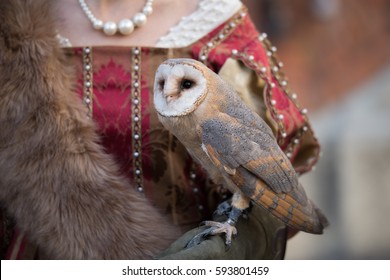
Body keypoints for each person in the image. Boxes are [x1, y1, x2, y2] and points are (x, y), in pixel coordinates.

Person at [0, 0, 320, 259]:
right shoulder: (11, 21)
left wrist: (229, 248)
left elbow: (273, 179)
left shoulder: (216, 22)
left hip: (182, 259)